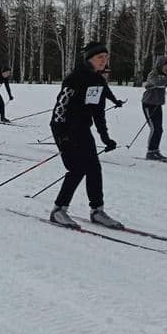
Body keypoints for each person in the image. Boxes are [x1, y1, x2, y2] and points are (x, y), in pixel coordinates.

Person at [48, 42, 121, 229]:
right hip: (64, 129)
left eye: (106, 58)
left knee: (94, 168)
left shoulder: (98, 81)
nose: (103, 61)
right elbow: (60, 109)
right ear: (89, 59)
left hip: (82, 130)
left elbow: (98, 113)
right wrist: (62, 135)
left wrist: (105, 137)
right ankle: (58, 210)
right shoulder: (74, 79)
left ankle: (97, 211)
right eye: (99, 58)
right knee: (77, 169)